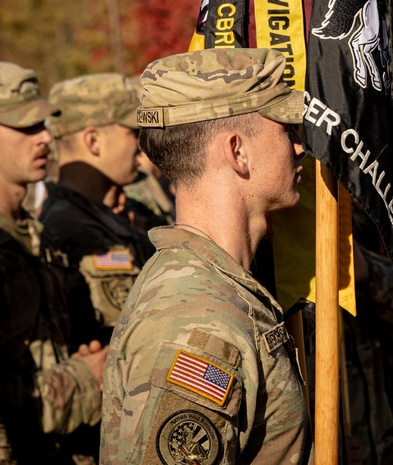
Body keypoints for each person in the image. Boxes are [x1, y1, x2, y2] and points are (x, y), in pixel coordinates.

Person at [100, 48, 312, 463]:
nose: (300, 147)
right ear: (237, 151)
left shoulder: (218, 286)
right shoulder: (200, 324)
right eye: (287, 130)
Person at [0, 61, 105, 463]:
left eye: (43, 124)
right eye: (25, 126)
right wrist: (83, 378)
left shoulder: (37, 236)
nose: (45, 137)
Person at [40, 73, 155, 346]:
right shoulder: (68, 230)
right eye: (132, 133)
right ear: (93, 141)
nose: (141, 146)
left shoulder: (109, 217)